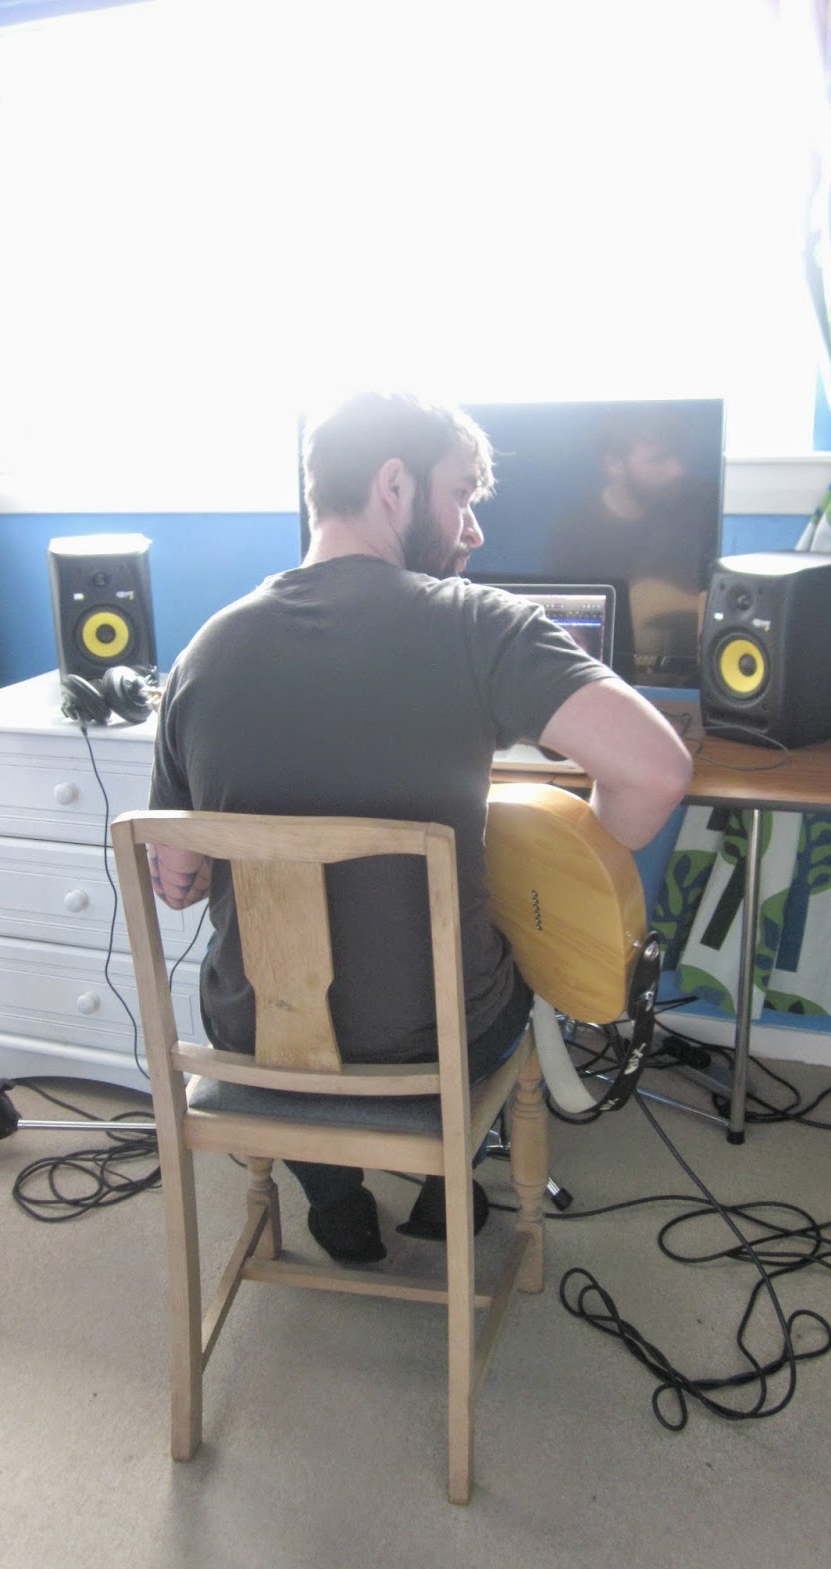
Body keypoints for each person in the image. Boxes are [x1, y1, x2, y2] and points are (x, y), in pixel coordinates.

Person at [147, 391, 691, 1264]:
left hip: (257, 1037)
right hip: (440, 1042)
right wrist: (579, 863)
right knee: (510, 954)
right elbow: (657, 771)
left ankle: (335, 1201)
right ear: (394, 484)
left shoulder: (204, 652)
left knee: (264, 983)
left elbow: (175, 882)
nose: (474, 526)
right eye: (461, 493)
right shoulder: (477, 624)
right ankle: (447, 1179)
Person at [544, 406, 719, 686]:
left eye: (678, 455)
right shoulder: (574, 535)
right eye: (658, 459)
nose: (677, 470)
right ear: (614, 464)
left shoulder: (707, 505)